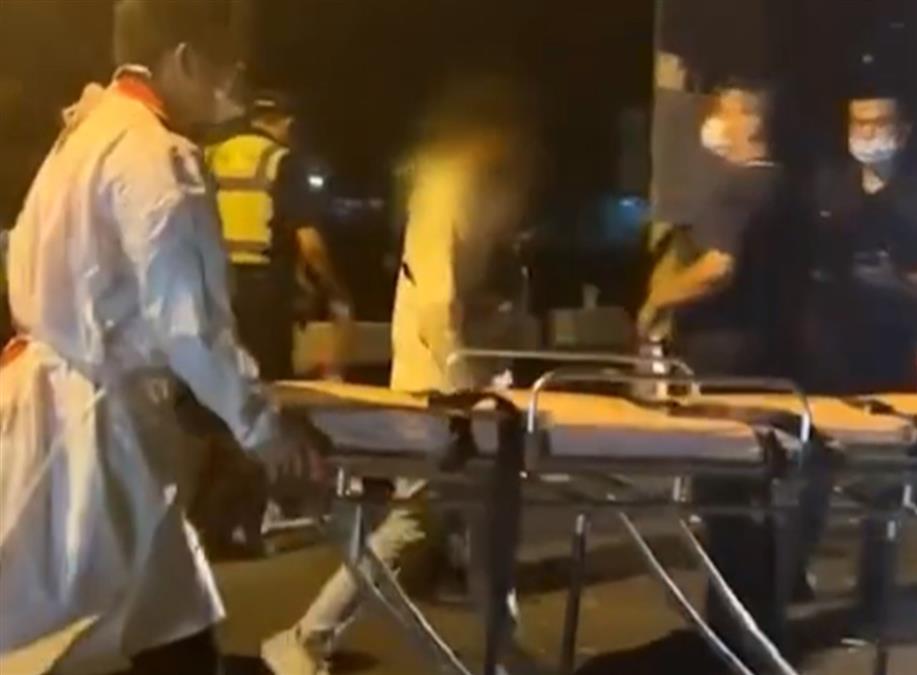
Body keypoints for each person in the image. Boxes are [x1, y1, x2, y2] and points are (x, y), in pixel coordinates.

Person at [0, 1, 321, 674]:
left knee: (143, 630)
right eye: (227, 63)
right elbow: (190, 327)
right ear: (184, 59)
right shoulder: (158, 158)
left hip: (52, 417)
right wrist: (265, 430)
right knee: (119, 638)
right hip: (103, 441)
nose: (235, 81)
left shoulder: (84, 137)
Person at [262, 77, 539, 675]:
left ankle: (501, 646)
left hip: (469, 389)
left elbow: (470, 294)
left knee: (489, 517)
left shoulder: (478, 192)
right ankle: (305, 637)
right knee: (420, 518)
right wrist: (464, 390)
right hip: (440, 390)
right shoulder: (445, 192)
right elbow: (437, 304)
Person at [639, 65, 806, 664]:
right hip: (770, 363)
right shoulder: (788, 190)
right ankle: (754, 631)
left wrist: (657, 300)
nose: (713, 120)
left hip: (729, 370)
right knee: (754, 508)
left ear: (751, 121)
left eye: (725, 109)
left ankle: (733, 640)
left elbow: (717, 268)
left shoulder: (741, 189)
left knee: (728, 506)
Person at [805, 71, 917, 393]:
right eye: (859, 123)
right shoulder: (828, 186)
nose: (867, 133)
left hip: (909, 343)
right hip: (835, 347)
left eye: (879, 123)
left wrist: (899, 281)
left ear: (903, 132)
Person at [206, 91, 354, 381]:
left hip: (214, 285)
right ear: (286, 123)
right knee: (269, 383)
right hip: (265, 292)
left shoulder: (211, 155)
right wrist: (333, 289)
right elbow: (310, 245)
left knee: (222, 380)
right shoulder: (283, 161)